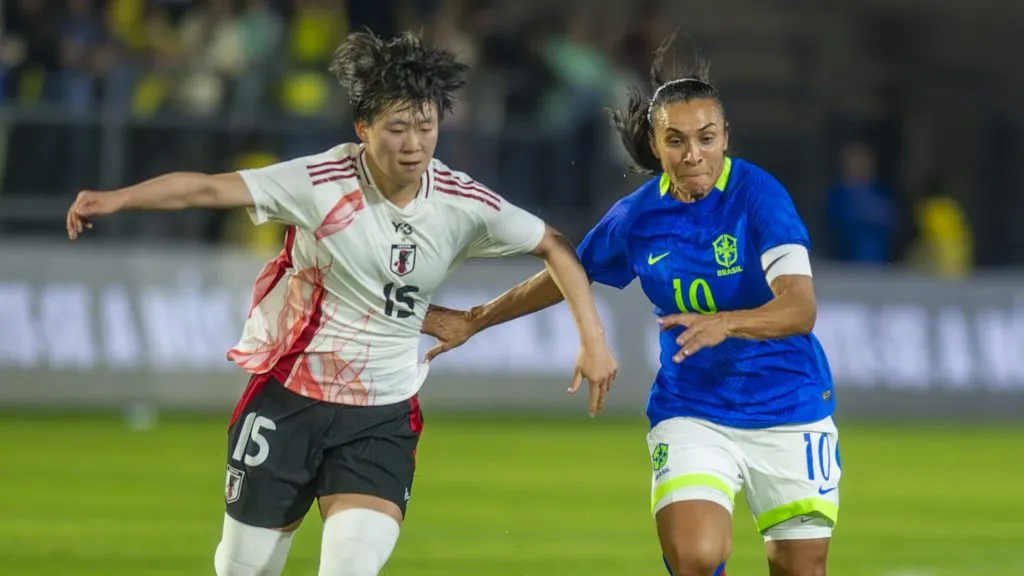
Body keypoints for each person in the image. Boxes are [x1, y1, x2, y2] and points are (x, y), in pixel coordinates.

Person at [65, 30, 618, 576]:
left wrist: (591, 340)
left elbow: (554, 246)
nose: (413, 144)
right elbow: (210, 189)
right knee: (243, 569)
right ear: (362, 128)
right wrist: (117, 198)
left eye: (425, 127)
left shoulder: (462, 202)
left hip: (380, 417)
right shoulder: (319, 181)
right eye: (396, 128)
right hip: (288, 401)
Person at [422, 32, 840, 576]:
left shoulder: (760, 198)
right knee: (696, 557)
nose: (694, 154)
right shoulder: (639, 216)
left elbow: (800, 308)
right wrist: (475, 320)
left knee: (800, 570)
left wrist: (726, 324)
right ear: (655, 142)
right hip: (693, 409)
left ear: (725, 137)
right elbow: (568, 271)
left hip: (790, 406)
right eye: (677, 140)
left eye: (707, 138)